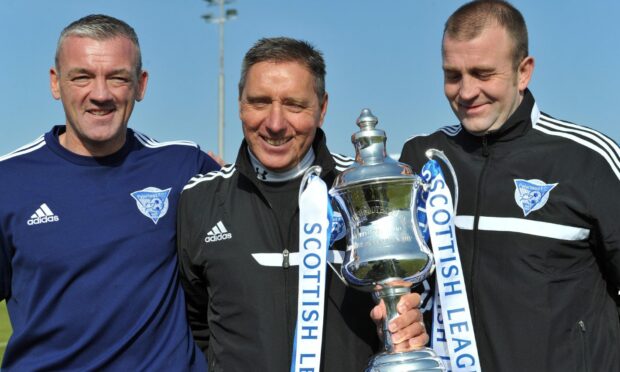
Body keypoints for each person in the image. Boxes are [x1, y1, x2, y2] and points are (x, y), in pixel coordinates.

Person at [177, 37, 429, 371]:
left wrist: (403, 324)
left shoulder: (361, 192)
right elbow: (195, 328)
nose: (276, 123)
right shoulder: (200, 200)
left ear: (322, 108)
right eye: (259, 102)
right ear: (240, 103)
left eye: (294, 105)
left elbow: (413, 302)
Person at [400, 1, 620, 371]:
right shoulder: (423, 158)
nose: (466, 92)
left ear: (523, 72)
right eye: (453, 75)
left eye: (483, 74)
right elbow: (408, 284)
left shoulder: (588, 159)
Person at [0, 14, 220, 370]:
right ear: (56, 83)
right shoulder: (7, 182)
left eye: (117, 78)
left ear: (140, 85)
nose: (100, 94)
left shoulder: (185, 167)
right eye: (82, 77)